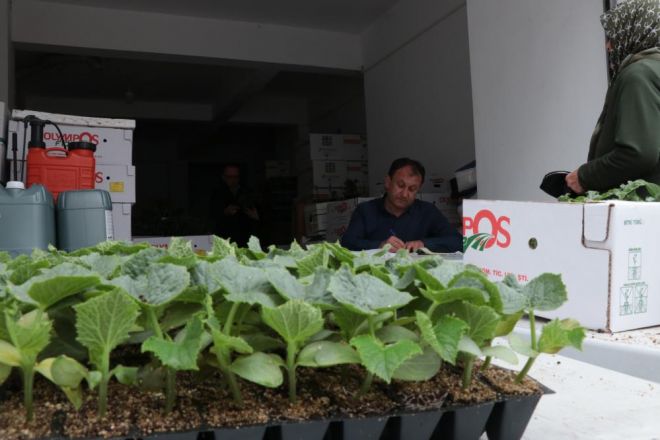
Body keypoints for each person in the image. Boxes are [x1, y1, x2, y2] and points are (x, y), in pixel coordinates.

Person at [566, 0, 660, 194]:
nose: (608, 46)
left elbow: (638, 154)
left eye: (614, 37)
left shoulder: (639, 75)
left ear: (635, 31)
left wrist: (584, 177)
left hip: (640, 206)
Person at [340, 157, 462, 253]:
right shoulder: (365, 210)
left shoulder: (428, 211)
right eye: (400, 185)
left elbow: (458, 241)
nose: (404, 194)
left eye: (412, 189)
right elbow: (347, 243)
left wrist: (424, 244)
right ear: (388, 182)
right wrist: (379, 245)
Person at [211, 164, 259, 246]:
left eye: (235, 177)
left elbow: (257, 215)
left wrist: (255, 216)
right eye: (229, 177)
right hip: (224, 237)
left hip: (245, 237)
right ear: (223, 177)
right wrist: (225, 212)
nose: (233, 180)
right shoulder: (217, 193)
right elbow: (212, 215)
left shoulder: (247, 192)